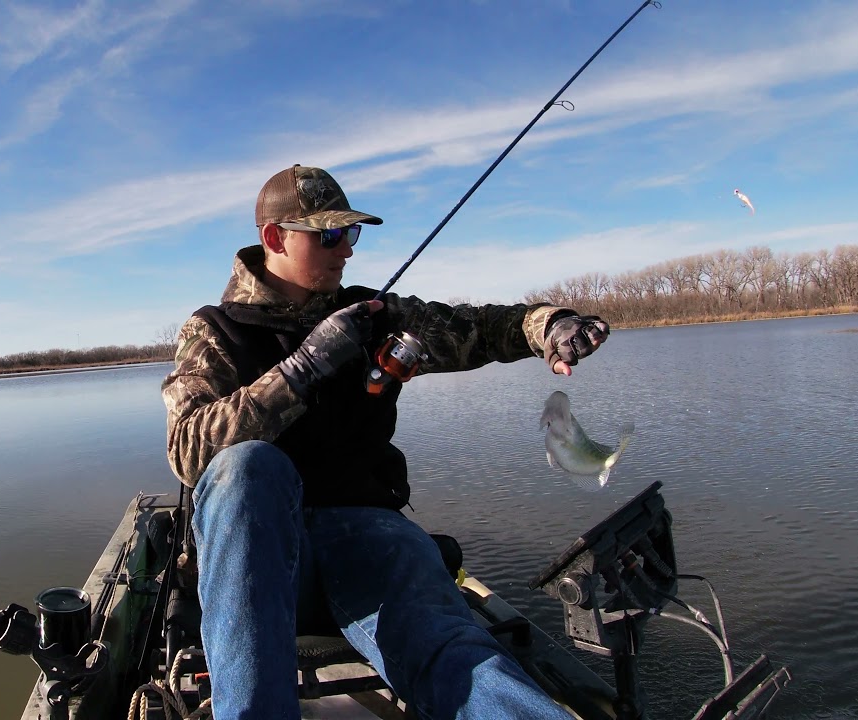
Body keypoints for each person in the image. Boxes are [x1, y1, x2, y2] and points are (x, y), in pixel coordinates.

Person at [160, 164, 610, 720]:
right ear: (275, 237)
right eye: (330, 235)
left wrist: (550, 326)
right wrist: (301, 370)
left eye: (351, 233)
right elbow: (188, 451)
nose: (347, 249)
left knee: (453, 649)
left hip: (369, 535)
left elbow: (478, 328)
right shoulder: (213, 330)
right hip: (260, 553)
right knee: (248, 466)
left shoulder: (373, 316)